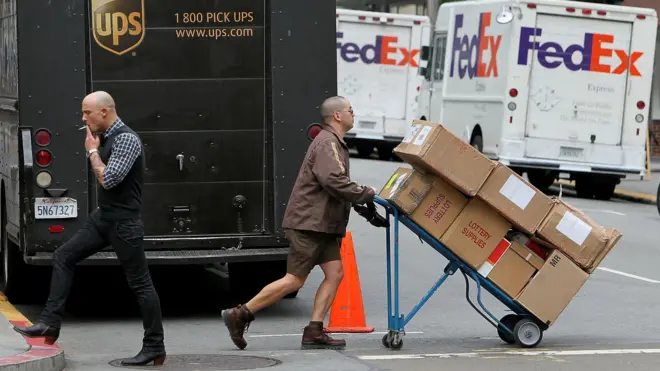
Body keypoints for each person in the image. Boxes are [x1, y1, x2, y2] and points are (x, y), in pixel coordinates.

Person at [12, 91, 166, 366]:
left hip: (124, 224)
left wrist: (93, 152)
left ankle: (154, 345)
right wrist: (95, 148)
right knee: (63, 256)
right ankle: (49, 323)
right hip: (104, 218)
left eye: (87, 113)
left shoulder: (127, 140)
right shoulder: (104, 136)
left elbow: (109, 179)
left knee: (141, 284)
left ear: (105, 111)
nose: (83, 118)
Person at [221, 96, 377, 350]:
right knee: (294, 279)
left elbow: (334, 187)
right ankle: (239, 314)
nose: (354, 113)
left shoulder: (332, 142)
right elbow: (334, 181)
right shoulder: (327, 143)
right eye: (351, 110)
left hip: (321, 224)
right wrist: (366, 192)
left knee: (335, 273)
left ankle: (314, 331)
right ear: (337, 115)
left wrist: (361, 204)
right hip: (309, 224)